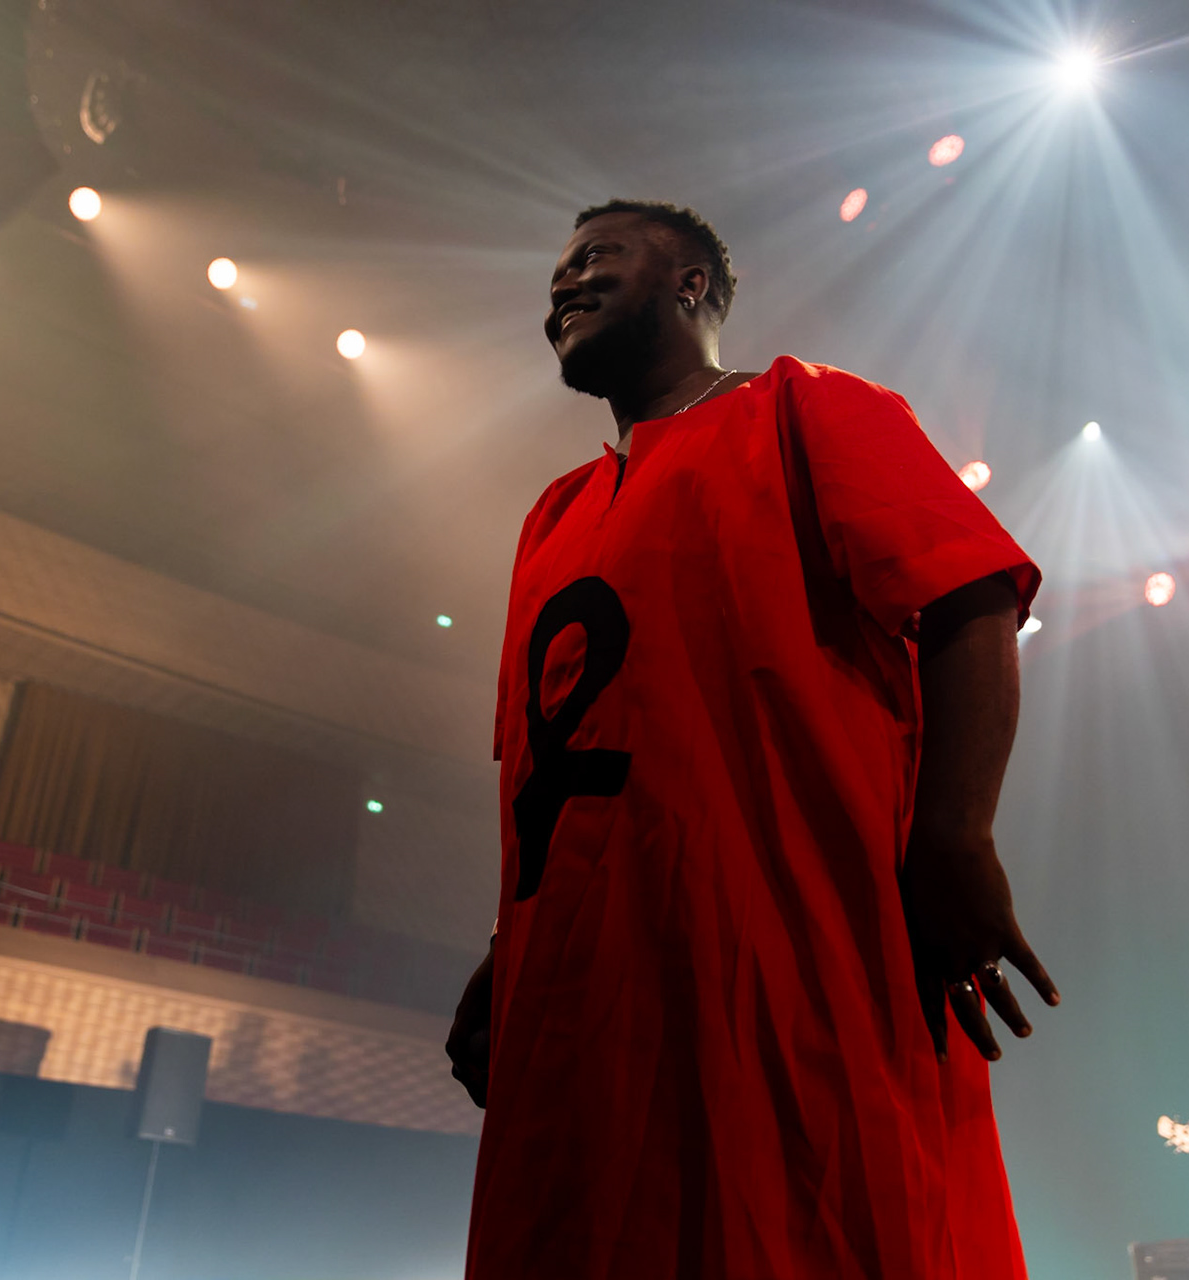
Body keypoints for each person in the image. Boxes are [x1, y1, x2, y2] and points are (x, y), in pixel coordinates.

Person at [445, 199, 1057, 1280]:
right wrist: (506, 951)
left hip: (783, 959)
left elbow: (971, 599)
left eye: (598, 258)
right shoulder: (551, 516)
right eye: (557, 270)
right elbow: (544, 767)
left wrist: (955, 839)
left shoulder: (803, 407)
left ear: (691, 284)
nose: (564, 284)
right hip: (582, 1006)